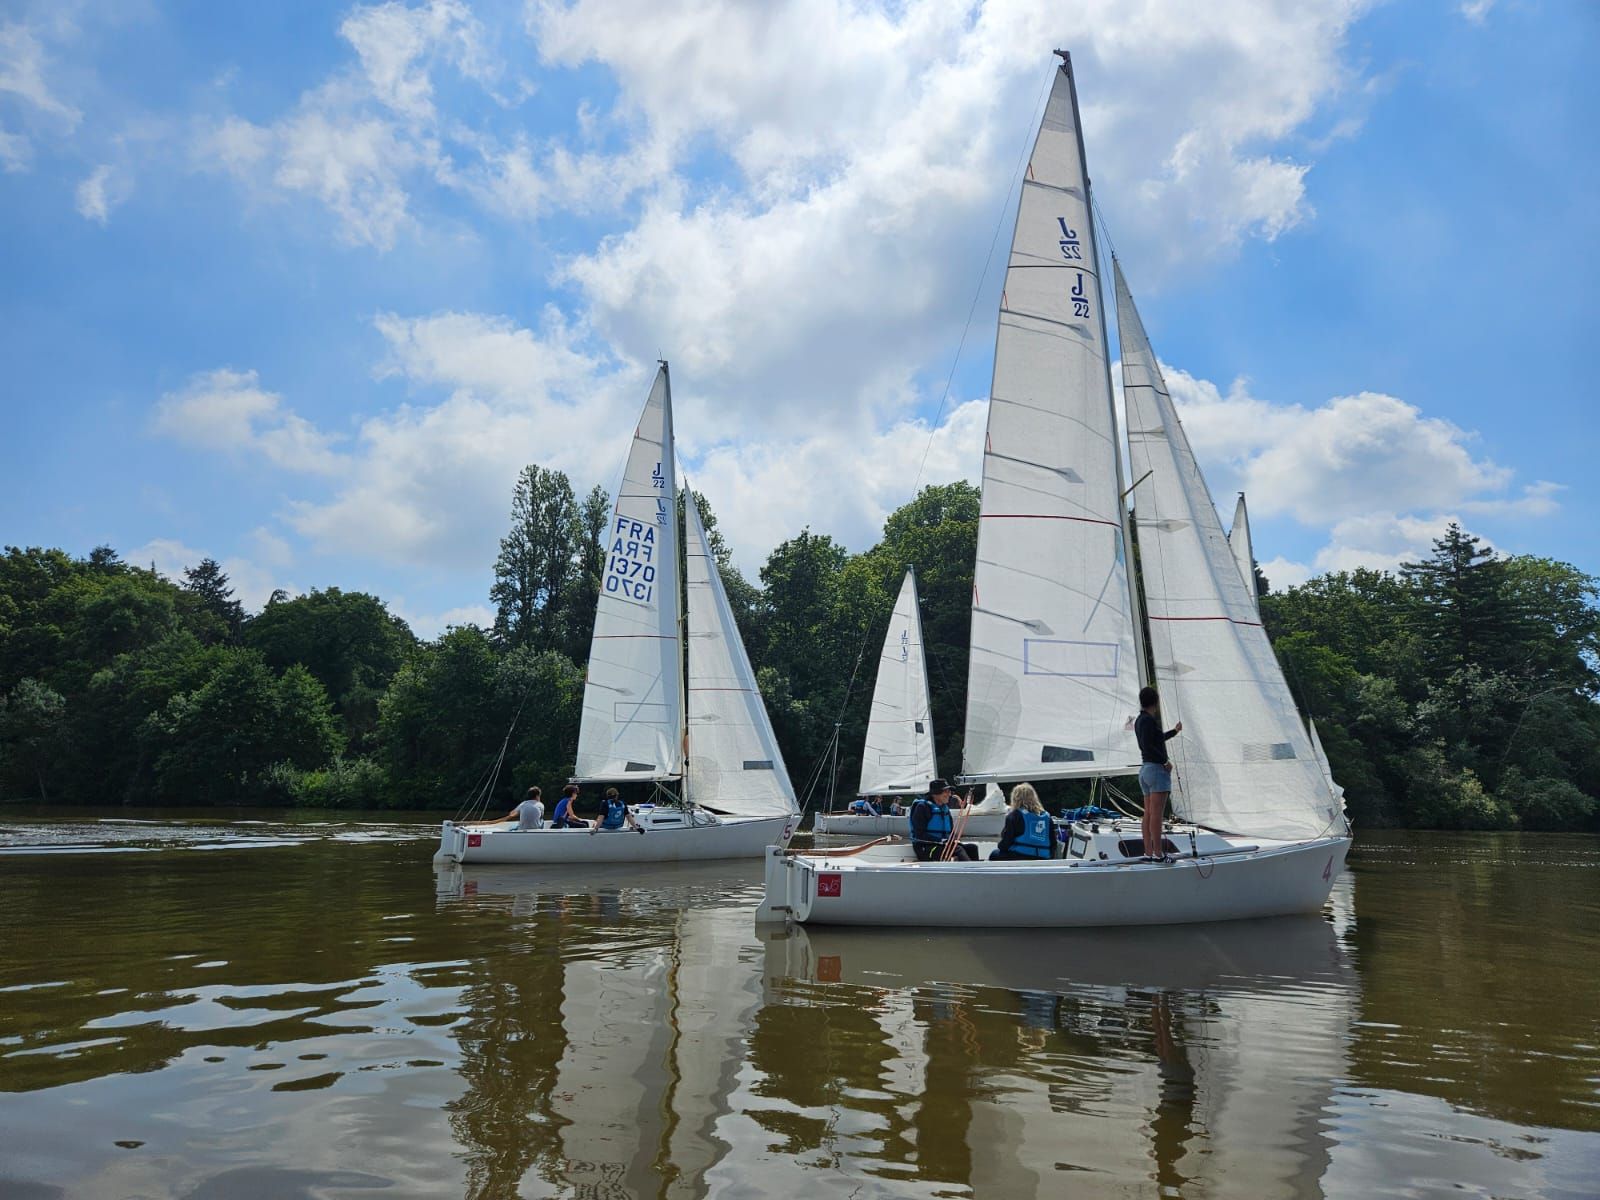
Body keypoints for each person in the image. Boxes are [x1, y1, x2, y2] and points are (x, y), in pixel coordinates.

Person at [1135, 686, 1183, 860]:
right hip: (1156, 770)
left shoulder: (1139, 720)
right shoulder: (1148, 720)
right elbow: (1150, 745)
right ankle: (1158, 853)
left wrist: (1174, 732)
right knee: (1156, 814)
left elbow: (1155, 739)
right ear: (1155, 702)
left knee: (1148, 813)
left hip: (1145, 770)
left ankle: (1148, 852)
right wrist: (1165, 762)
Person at [908, 779, 975, 862]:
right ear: (935, 793)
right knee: (958, 850)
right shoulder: (923, 807)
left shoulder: (944, 809)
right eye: (946, 792)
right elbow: (919, 834)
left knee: (972, 848)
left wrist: (952, 840)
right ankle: (970, 869)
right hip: (926, 848)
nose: (949, 794)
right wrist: (941, 841)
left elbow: (951, 832)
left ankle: (977, 868)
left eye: (949, 792)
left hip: (943, 845)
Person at [989, 782, 1054, 860]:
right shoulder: (1047, 817)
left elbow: (1005, 844)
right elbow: (1053, 843)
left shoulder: (1015, 815)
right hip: (1043, 857)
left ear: (1015, 799)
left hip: (1020, 856)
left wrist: (1000, 845)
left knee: (994, 854)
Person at [467, 786, 545, 831]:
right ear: (537, 796)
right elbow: (539, 817)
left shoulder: (523, 804)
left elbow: (511, 813)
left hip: (522, 829)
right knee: (543, 821)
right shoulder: (541, 805)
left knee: (512, 826)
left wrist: (519, 812)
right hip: (536, 830)